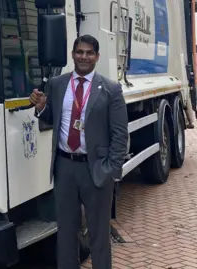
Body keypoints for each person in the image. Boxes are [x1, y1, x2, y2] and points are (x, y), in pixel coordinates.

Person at [29, 34, 129, 268]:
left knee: (98, 236)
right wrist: (42, 108)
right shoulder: (57, 84)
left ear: (97, 57)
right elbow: (52, 119)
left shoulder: (110, 89)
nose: (84, 56)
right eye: (80, 52)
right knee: (65, 233)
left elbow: (120, 135)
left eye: (89, 53)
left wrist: (109, 170)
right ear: (73, 55)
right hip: (64, 168)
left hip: (95, 168)